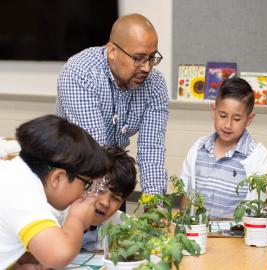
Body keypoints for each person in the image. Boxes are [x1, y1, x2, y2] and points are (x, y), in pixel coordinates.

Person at [56, 13, 168, 196]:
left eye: (152, 57)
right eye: (138, 58)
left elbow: (151, 148)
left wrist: (155, 206)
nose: (147, 67)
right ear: (112, 51)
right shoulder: (80, 73)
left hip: (113, 175)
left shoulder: (155, 84)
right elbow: (95, 151)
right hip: (71, 176)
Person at [0, 115, 110, 269]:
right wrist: (77, 219)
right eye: (86, 184)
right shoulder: (23, 191)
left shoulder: (13, 174)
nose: (85, 195)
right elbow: (59, 255)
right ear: (58, 177)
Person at [180, 77, 267, 218]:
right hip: (198, 234)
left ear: (249, 119)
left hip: (237, 237)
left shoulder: (258, 156)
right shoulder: (198, 147)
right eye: (223, 115)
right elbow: (186, 193)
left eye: (237, 119)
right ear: (214, 111)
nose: (228, 125)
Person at [81, 146, 137, 250]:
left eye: (115, 198)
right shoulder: (55, 216)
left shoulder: (121, 223)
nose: (105, 203)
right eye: (100, 191)